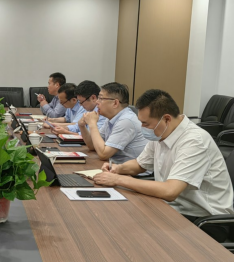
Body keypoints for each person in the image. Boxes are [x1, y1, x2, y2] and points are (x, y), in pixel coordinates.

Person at [94, 89, 234, 220]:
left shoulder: (195, 141)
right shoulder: (161, 133)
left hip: (204, 218)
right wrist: (117, 169)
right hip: (172, 207)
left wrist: (118, 179)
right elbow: (140, 164)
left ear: (166, 119)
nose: (142, 128)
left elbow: (170, 191)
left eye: (145, 124)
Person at [79, 82, 147, 163]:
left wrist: (92, 124)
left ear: (115, 103)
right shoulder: (111, 118)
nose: (97, 102)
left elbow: (103, 154)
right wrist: (82, 126)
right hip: (115, 165)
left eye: (101, 98)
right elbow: (92, 146)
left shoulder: (126, 121)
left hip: (130, 170)